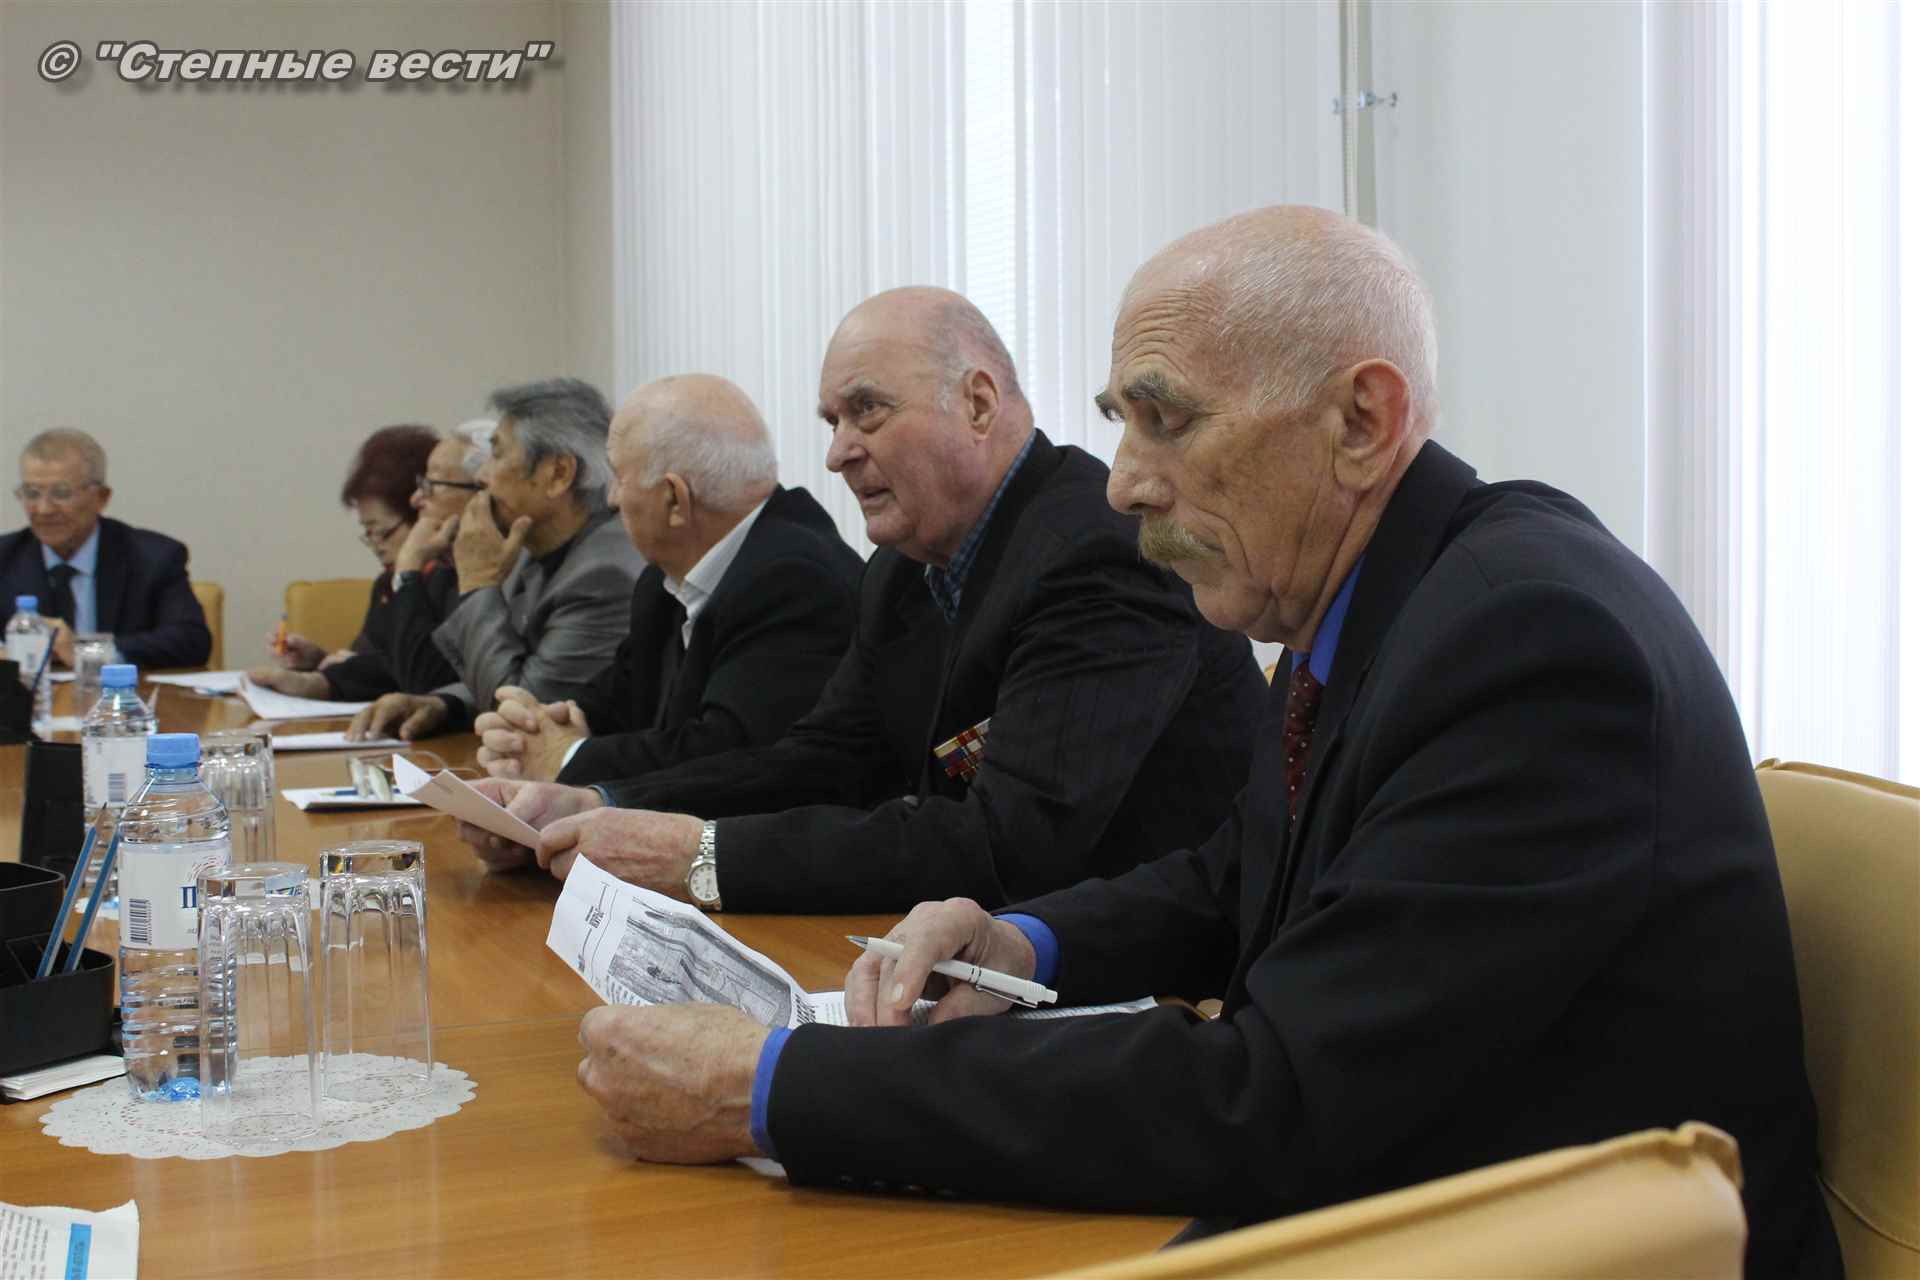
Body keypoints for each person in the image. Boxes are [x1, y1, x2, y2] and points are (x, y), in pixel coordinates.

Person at [560, 209, 1841, 1279]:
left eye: (1165, 421)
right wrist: (1024, 942)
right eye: (1121, 421)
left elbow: (1276, 1092)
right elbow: (1240, 870)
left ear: (1361, 419)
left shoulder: (1532, 641)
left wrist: (779, 1085)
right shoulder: (1388, 594)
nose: (1123, 480)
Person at [457, 288, 1264, 914]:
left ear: (979, 403)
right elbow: (823, 761)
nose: (838, 452)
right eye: (832, 421)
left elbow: (1007, 844)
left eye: (867, 411)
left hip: (1156, 985)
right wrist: (602, 803)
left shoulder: (1097, 552)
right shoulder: (903, 568)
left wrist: (699, 858)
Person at [473, 374, 861, 789]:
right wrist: (546, 725)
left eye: (619, 477)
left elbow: (728, 754)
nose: (611, 498)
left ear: (674, 499)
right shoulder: (664, 580)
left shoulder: (794, 581)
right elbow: (619, 697)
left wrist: (565, 756)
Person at [348, 379, 645, 740]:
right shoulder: (531, 549)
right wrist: (445, 703)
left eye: (497, 455)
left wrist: (478, 583)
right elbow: (521, 670)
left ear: (558, 474)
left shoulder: (604, 575)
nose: (482, 476)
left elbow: (525, 714)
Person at [247, 422, 471, 701]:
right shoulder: (387, 584)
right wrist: (320, 661)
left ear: (421, 517)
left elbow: (424, 679)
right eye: (368, 533)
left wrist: (408, 569)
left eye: (384, 532)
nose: (376, 546)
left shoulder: (454, 579)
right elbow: (375, 662)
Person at [0, 428, 210, 669]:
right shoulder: (5, 557)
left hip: (122, 692)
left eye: (61, 493)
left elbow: (191, 641)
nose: (44, 509)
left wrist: (86, 651)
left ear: (102, 497)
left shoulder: (153, 558)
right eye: (31, 493)